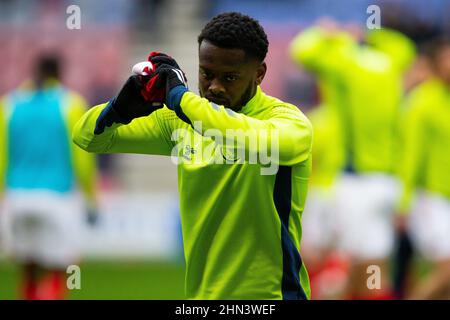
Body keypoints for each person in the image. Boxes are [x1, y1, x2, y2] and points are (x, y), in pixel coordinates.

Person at [73, 12, 313, 300]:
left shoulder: (288, 122)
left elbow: (252, 139)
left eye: (230, 77)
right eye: (206, 74)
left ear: (259, 74)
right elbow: (86, 137)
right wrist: (118, 110)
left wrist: (182, 100)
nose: (214, 87)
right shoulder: (181, 122)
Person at [290, 22, 415, 299]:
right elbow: (405, 46)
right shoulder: (391, 62)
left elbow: (302, 50)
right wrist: (371, 33)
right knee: (374, 265)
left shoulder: (343, 62)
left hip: (354, 182)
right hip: (387, 180)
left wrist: (329, 33)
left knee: (355, 263)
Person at [0, 54, 97, 300]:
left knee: (28, 269)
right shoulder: (70, 104)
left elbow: (2, 157)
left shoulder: (9, 105)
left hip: (17, 197)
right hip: (57, 197)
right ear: (59, 74)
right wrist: (91, 197)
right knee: (61, 268)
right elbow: (82, 158)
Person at [395, 37, 450, 300]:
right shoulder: (422, 102)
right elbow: (411, 155)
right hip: (431, 199)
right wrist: (404, 202)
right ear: (437, 64)